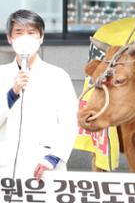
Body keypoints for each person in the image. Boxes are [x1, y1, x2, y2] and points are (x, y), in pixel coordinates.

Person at [0, 10, 78, 179]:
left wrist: (54, 157)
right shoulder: (1, 74)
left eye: (31, 33)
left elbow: (70, 122)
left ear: (41, 38)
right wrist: (12, 93)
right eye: (19, 33)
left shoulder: (58, 76)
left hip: (45, 167)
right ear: (10, 38)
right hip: (6, 166)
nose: (25, 38)